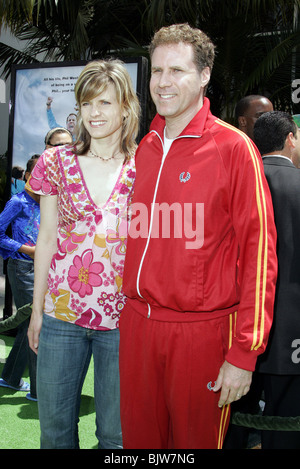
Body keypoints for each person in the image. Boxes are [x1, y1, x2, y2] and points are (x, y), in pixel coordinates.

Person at [118, 23, 278, 449]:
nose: (163, 83)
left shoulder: (233, 148)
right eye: (157, 71)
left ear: (205, 75)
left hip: (202, 333)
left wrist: (244, 353)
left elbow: (260, 255)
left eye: (177, 71)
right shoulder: (144, 148)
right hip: (136, 326)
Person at [27, 59, 140, 449]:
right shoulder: (55, 161)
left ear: (125, 107)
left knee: (116, 436)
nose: (95, 113)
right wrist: (37, 310)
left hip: (125, 319)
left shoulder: (144, 166)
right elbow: (45, 238)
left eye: (105, 103)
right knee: (55, 433)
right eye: (88, 103)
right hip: (62, 315)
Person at [253, 111, 300, 449]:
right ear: (290, 139)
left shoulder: (241, 182)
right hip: (293, 333)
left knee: (234, 425)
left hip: (242, 331)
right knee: (285, 427)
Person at [0, 155, 40, 401]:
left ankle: (11, 378)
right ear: (26, 176)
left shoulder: (49, 202)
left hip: (42, 271)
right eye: (35, 173)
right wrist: (27, 249)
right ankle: (38, 391)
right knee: (35, 324)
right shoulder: (18, 202)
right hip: (22, 268)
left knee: (29, 324)